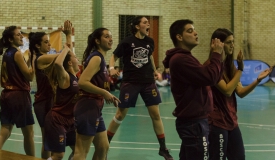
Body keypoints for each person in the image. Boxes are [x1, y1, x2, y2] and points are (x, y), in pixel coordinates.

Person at [107, 16, 173, 159]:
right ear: (137, 26)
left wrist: (155, 70)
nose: (148, 24)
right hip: (130, 82)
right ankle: (104, 145)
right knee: (120, 114)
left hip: (148, 82)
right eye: (144, 22)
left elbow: (149, 57)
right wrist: (111, 68)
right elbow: (113, 56)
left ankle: (163, 148)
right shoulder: (127, 42)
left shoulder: (150, 42)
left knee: (156, 115)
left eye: (148, 22)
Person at [206, 28, 273, 160]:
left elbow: (240, 92)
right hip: (217, 123)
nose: (233, 45)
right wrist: (240, 69)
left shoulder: (229, 65)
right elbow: (227, 90)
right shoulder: (210, 66)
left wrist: (257, 80)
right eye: (229, 42)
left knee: (239, 157)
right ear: (218, 43)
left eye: (233, 42)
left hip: (231, 122)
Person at [162, 19, 225, 160]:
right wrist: (216, 55)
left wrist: (220, 57)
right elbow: (209, 77)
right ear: (179, 37)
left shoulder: (187, 58)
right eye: (190, 31)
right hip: (193, 123)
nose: (195, 33)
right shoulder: (181, 59)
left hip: (196, 121)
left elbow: (213, 78)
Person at [73, 28, 120, 160]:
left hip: (95, 108)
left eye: (111, 36)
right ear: (97, 41)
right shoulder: (96, 59)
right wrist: (104, 92)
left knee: (103, 147)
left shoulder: (100, 58)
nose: (110, 39)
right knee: (81, 151)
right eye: (106, 37)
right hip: (87, 107)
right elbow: (82, 82)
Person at [29, 20, 72, 159]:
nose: (49, 44)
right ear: (37, 45)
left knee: (53, 139)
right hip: (44, 103)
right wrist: (68, 36)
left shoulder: (47, 57)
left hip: (54, 101)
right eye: (46, 42)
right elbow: (66, 54)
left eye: (49, 41)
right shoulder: (41, 59)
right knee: (47, 139)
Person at [0, 26, 36, 156]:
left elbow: (21, 72)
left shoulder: (8, 53)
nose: (22, 36)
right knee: (29, 133)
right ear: (10, 39)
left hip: (6, 95)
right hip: (19, 96)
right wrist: (33, 60)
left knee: (5, 131)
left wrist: (27, 61)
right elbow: (30, 76)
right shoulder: (16, 53)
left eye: (21, 34)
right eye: (18, 35)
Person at [43, 21, 79, 160]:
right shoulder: (65, 77)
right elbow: (59, 63)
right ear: (70, 63)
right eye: (75, 57)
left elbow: (68, 55)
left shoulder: (76, 77)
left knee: (78, 150)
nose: (77, 58)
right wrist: (66, 48)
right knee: (58, 155)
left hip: (70, 120)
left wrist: (68, 35)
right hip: (57, 120)